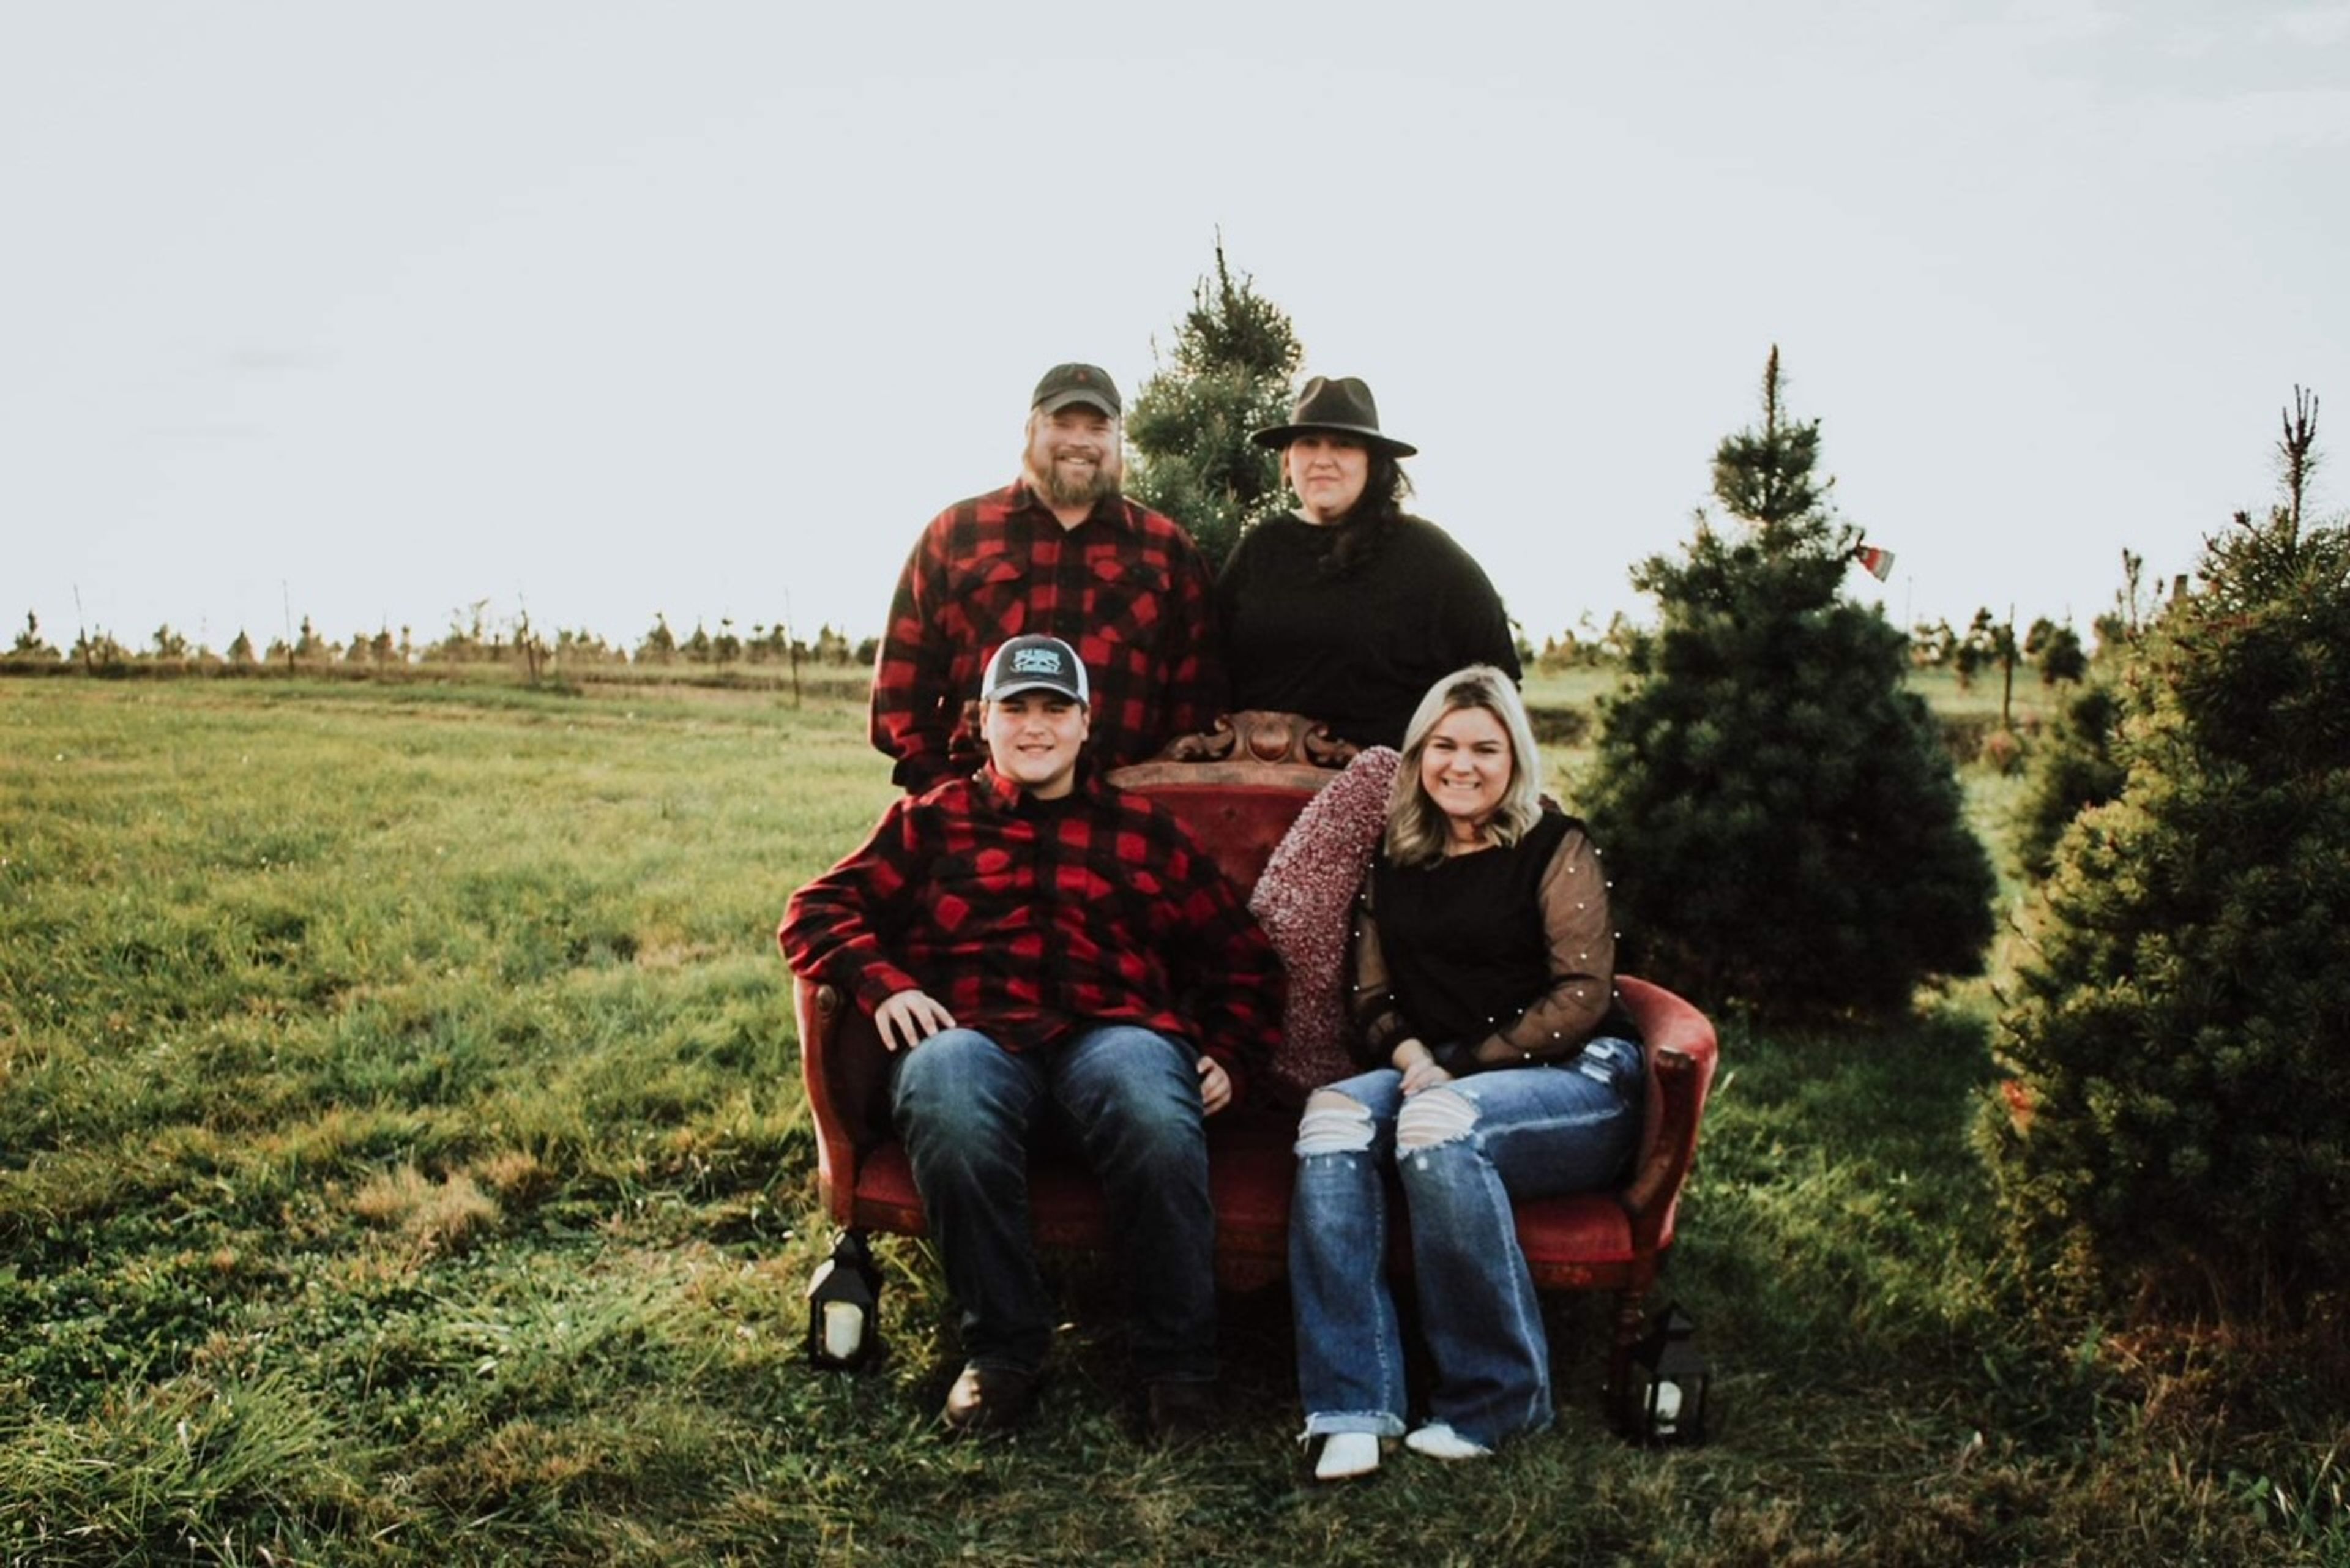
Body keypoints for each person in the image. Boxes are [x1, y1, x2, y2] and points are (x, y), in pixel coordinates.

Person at [781, 633, 1281, 1443]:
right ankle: (1004, 1349)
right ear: (984, 722)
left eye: (1056, 708)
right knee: (943, 1081)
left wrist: (1232, 1050)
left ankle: (1177, 1365)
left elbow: (1242, 957)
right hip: (975, 1037)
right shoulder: (930, 823)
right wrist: (888, 983)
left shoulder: (1142, 833)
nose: (1036, 726)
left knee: (1153, 1097)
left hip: (1114, 1036)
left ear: (1088, 723)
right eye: (1017, 708)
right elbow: (816, 911)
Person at [1286, 665, 1644, 1481]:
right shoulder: (1397, 856)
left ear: (1514, 758)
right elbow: (1370, 994)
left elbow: (1584, 994)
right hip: (1441, 1072)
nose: (1463, 763)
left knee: (1438, 1125)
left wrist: (1457, 1069)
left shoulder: (1558, 845)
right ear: (1418, 757)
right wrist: (1413, 1056)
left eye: (1486, 747)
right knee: (1333, 1114)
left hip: (1576, 1079)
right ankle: (1352, 1404)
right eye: (1444, 745)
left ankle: (1498, 1399)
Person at [870, 364, 1226, 794]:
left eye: (1097, 428)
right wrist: (941, 787)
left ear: (1117, 441)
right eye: (1062, 424)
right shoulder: (956, 534)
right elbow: (900, 688)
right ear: (1030, 430)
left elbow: (1199, 699)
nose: (1079, 441)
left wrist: (1151, 796)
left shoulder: (1166, 550)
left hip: (1118, 813)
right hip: (977, 807)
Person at [1216, 376, 1520, 750]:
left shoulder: (1430, 557)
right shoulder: (1260, 549)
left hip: (1384, 789)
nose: (1322, 460)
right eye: (1308, 444)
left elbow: (1498, 680)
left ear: (1373, 463)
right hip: (1254, 785)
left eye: (1343, 445)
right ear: (1289, 459)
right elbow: (1209, 667)